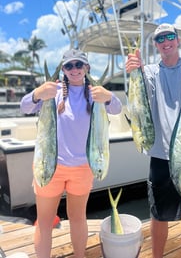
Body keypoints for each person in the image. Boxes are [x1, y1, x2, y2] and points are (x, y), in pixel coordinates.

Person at [20, 48, 122, 258]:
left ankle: (79, 256)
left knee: (78, 217)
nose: (74, 69)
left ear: (86, 67)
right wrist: (38, 93)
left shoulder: (95, 94)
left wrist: (109, 96)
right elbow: (24, 107)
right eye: (69, 66)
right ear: (64, 69)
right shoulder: (53, 91)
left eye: (79, 65)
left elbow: (117, 109)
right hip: (49, 166)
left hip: (83, 168)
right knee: (45, 221)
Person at [126, 24, 181, 258]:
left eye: (169, 37)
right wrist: (134, 71)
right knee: (159, 215)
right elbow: (138, 101)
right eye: (160, 39)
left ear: (177, 41)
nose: (165, 42)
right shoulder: (149, 73)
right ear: (156, 45)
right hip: (161, 156)